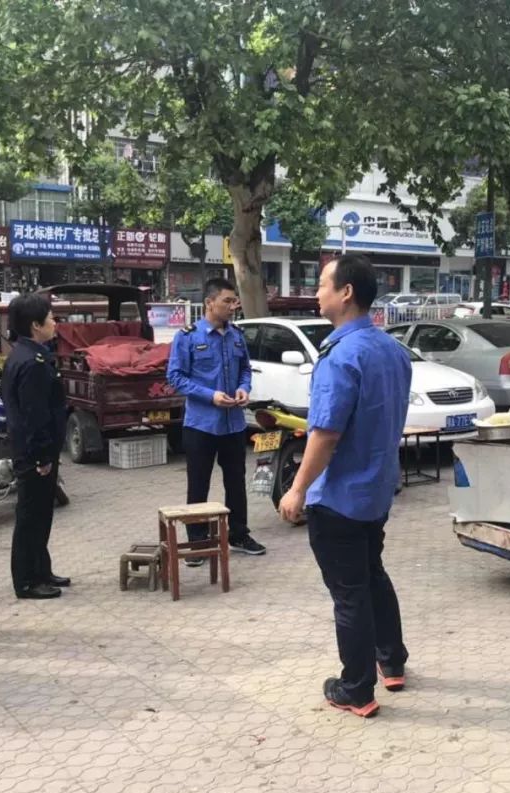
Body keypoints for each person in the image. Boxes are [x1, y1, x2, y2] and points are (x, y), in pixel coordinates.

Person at [279, 254, 412, 719]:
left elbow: (326, 434)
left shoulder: (341, 355)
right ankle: (391, 661)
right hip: (377, 490)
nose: (316, 293)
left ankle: (356, 688)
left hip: (340, 498)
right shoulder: (393, 350)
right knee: (372, 574)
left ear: (346, 293)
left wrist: (297, 489)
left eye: (322, 284)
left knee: (350, 593)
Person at [166, 278, 265, 558]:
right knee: (199, 483)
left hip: (233, 423)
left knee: (236, 481)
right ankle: (197, 543)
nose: (233, 307)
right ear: (209, 303)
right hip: (201, 424)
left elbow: (245, 369)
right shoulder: (187, 337)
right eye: (227, 301)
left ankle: (239, 534)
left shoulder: (236, 335)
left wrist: (244, 388)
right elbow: (175, 377)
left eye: (235, 301)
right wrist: (211, 396)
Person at [0, 293, 70, 600]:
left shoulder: (28, 355)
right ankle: (26, 580)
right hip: (33, 453)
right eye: (51, 318)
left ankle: (41, 570)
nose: (55, 322)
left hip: (36, 449)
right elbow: (34, 415)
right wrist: (42, 456)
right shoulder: (31, 362)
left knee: (42, 515)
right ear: (35, 325)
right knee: (31, 517)